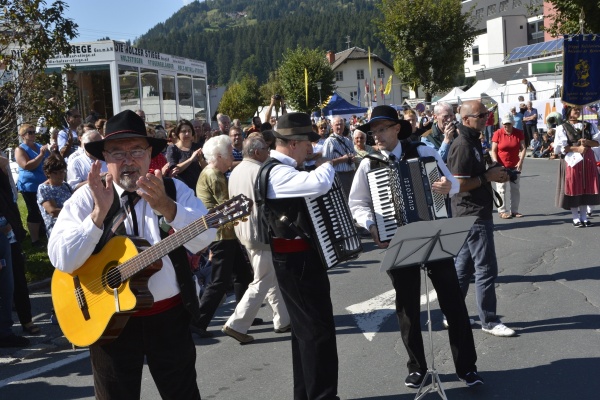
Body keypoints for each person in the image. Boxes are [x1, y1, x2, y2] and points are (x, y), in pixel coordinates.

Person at [48, 110, 216, 399]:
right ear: (103, 159)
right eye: (117, 152)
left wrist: (169, 208)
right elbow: (61, 258)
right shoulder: (87, 197)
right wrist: (97, 217)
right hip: (108, 321)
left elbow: (207, 236)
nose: (128, 160)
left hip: (168, 318)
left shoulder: (173, 189)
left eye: (136, 150)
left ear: (150, 154)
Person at [349, 105, 482, 388]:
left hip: (433, 233)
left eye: (382, 129)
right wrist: (372, 225)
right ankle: (417, 368)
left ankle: (466, 367)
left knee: (453, 302)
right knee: (407, 307)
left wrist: (447, 186)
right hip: (398, 239)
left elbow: (453, 184)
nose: (377, 136)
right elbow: (357, 204)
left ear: (397, 128)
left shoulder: (423, 152)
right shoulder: (368, 164)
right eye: (373, 131)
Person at [255, 112, 339, 399]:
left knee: (306, 333)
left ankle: (306, 394)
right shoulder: (278, 172)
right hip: (296, 262)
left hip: (299, 260)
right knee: (318, 333)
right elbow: (318, 184)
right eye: (308, 143)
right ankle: (323, 396)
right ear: (293, 143)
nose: (311, 149)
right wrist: (326, 164)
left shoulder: (281, 169)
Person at [446, 100, 516, 338]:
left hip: (472, 212)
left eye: (487, 114)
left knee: (463, 268)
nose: (487, 117)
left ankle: (450, 313)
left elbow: (476, 175)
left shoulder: (473, 139)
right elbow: (458, 184)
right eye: (481, 115)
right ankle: (489, 320)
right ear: (466, 119)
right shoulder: (463, 144)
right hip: (472, 213)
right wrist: (488, 176)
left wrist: (497, 173)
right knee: (486, 268)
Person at [222, 136, 290, 343]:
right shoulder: (260, 171)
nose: (268, 152)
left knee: (269, 276)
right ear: (256, 151)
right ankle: (237, 323)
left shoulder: (236, 171)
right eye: (266, 149)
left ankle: (283, 319)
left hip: (244, 232)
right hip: (260, 233)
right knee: (263, 279)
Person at [192, 135, 253, 338]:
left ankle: (243, 316)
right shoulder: (215, 175)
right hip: (220, 235)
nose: (231, 159)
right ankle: (199, 322)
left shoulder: (210, 172)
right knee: (219, 281)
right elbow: (228, 206)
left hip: (223, 233)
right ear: (218, 156)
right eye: (228, 155)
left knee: (243, 275)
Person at [553, 105, 600, 227]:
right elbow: (560, 148)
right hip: (572, 159)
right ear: (569, 112)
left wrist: (587, 142)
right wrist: (577, 148)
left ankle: (584, 217)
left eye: (579, 110)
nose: (578, 112)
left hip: (587, 159)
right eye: (575, 110)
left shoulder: (589, 125)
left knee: (586, 186)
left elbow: (597, 142)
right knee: (574, 186)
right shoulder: (562, 127)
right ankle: (575, 218)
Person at [15, 124, 50, 246]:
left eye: (34, 132)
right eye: (30, 132)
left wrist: (53, 150)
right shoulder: (20, 149)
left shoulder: (39, 146)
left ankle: (43, 232)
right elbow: (27, 166)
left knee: (45, 209)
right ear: (23, 135)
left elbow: (49, 161)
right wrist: (40, 155)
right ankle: (34, 240)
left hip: (44, 184)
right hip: (29, 186)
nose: (33, 134)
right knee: (34, 211)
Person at [490, 113, 526, 219]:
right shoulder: (498, 133)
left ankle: (514, 211)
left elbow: (523, 148)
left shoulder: (518, 133)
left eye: (509, 124)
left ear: (512, 124)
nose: (507, 127)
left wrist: (521, 162)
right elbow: (493, 150)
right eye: (505, 124)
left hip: (514, 165)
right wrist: (496, 163)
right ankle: (502, 211)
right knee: (501, 189)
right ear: (502, 124)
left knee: (515, 188)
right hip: (501, 166)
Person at [166, 119, 206, 193]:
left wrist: (201, 159)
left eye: (189, 131)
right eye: (184, 131)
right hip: (182, 189)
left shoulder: (198, 147)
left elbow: (205, 168)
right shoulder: (172, 149)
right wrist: (190, 159)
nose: (187, 134)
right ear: (178, 133)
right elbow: (174, 170)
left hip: (199, 187)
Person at [37, 155, 72, 237]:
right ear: (47, 173)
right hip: (57, 230)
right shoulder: (44, 188)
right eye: (55, 173)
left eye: (62, 171)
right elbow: (53, 211)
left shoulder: (65, 185)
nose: (60, 175)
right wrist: (75, 211)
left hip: (71, 224)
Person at [322, 116, 356, 200]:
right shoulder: (329, 141)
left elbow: (354, 154)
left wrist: (353, 158)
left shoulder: (347, 140)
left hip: (351, 174)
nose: (339, 127)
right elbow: (325, 163)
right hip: (339, 176)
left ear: (344, 126)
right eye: (337, 125)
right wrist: (342, 159)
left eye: (341, 124)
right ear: (332, 126)